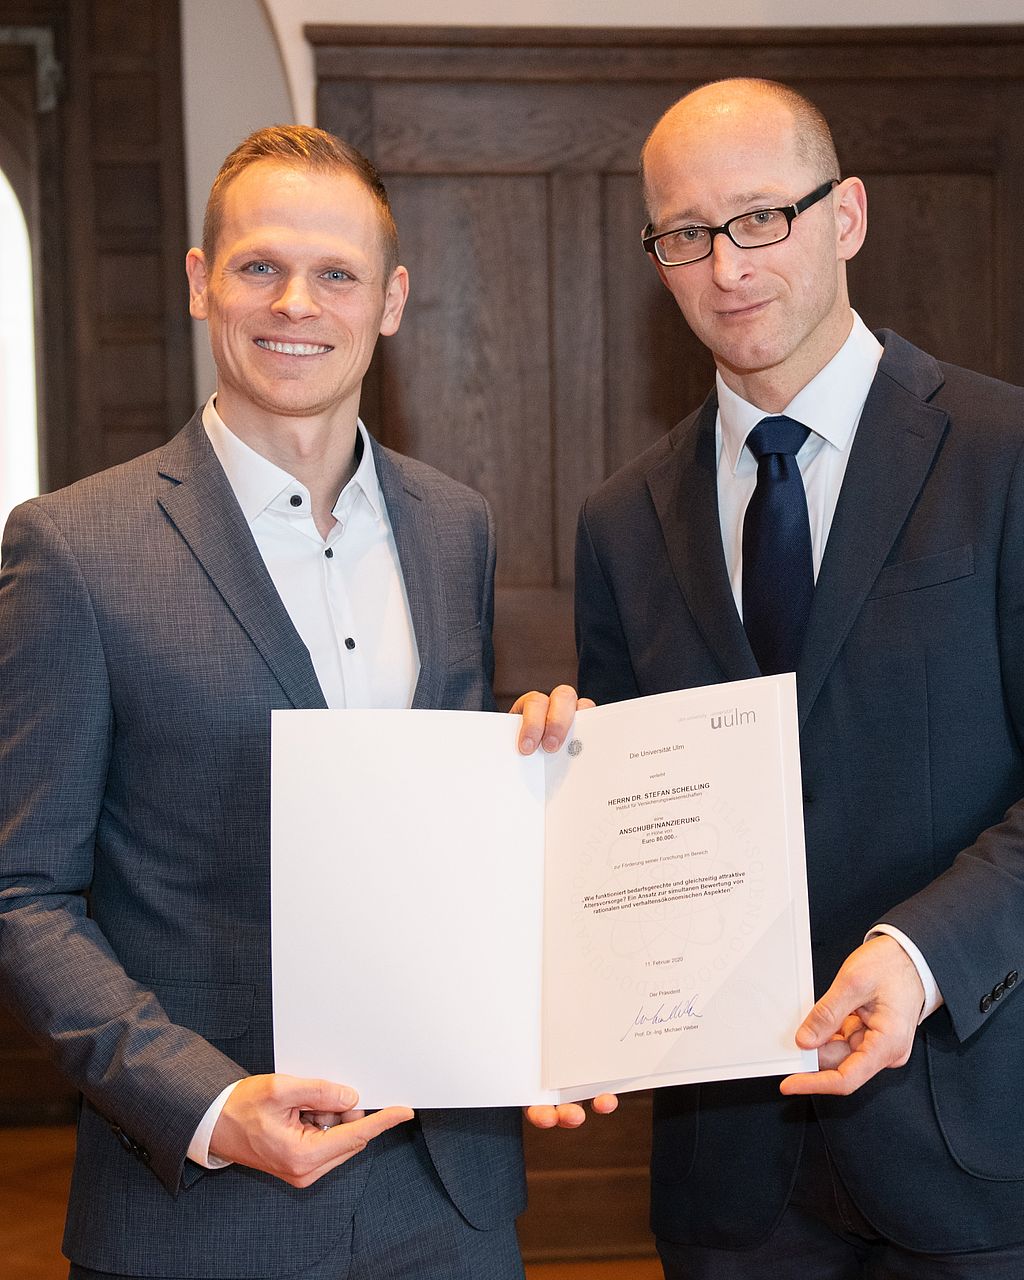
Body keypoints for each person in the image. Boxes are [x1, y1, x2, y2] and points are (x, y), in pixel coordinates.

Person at [0, 125, 591, 1280]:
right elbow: (23, 890)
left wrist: (545, 777)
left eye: (336, 274)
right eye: (260, 265)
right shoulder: (72, 548)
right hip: (202, 1211)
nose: (296, 304)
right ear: (197, 281)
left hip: (450, 1201)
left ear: (392, 301)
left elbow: (448, 839)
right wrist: (208, 1103)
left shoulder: (452, 523)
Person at [569, 78, 1024, 1276]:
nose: (726, 266)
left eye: (761, 216)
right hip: (729, 1178)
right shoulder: (619, 521)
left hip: (974, 1143)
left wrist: (919, 955)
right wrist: (556, 774)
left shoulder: (1003, 455)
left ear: (848, 215)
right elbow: (626, 841)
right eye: (685, 234)